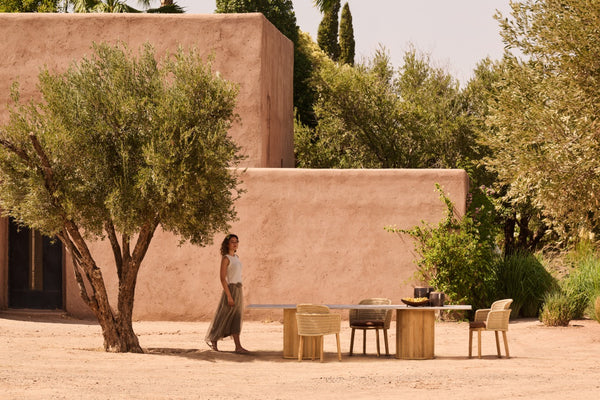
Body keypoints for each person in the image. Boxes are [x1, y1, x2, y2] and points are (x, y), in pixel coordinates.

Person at [205, 233, 249, 353]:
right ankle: (213, 339)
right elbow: (222, 278)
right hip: (231, 289)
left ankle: (238, 346)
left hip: (238, 289)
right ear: (227, 244)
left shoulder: (236, 257)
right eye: (232, 242)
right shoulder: (226, 258)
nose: (235, 244)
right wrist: (229, 296)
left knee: (237, 317)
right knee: (223, 315)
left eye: (236, 241)